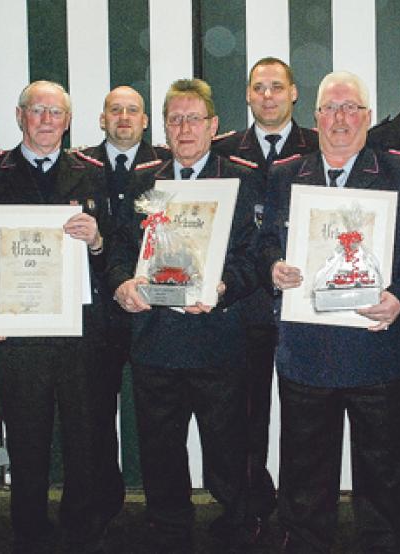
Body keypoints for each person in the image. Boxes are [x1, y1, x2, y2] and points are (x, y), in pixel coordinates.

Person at [258, 70, 400, 553]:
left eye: (350, 108)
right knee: (304, 473)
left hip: (379, 350)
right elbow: (264, 243)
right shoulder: (285, 174)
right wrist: (273, 267)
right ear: (315, 117)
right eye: (330, 109)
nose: (340, 118)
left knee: (385, 474)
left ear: (368, 116)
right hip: (306, 354)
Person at [106, 78, 262, 553]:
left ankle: (238, 522)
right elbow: (119, 247)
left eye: (194, 119)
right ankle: (168, 524)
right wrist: (122, 284)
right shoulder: (143, 181)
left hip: (218, 337)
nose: (185, 128)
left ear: (214, 126)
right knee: (159, 446)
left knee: (228, 445)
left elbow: (255, 254)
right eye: (175, 119)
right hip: (156, 339)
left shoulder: (240, 179)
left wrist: (223, 285)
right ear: (164, 127)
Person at [0, 80, 110, 553]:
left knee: (84, 436)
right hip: (16, 333)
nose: (46, 120)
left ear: (68, 121)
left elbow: (119, 251)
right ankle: (29, 529)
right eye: (37, 110)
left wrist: (98, 241)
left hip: (78, 331)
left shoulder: (94, 174)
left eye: (56, 112)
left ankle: (80, 526)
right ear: (20, 116)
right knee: (26, 439)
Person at [211, 56, 319, 525]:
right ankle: (248, 504)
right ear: (248, 95)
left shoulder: (320, 144)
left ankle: (301, 510)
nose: (268, 95)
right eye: (259, 87)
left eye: (277, 86)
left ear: (294, 92)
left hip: (307, 305)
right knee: (245, 416)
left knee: (305, 419)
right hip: (246, 306)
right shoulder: (221, 150)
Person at [77, 85, 166, 526]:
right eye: (116, 110)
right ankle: (103, 501)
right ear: (102, 119)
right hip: (96, 309)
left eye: (133, 111)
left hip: (152, 309)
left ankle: (162, 505)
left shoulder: (166, 165)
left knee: (158, 415)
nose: (124, 118)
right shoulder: (79, 167)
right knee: (95, 413)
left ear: (146, 121)